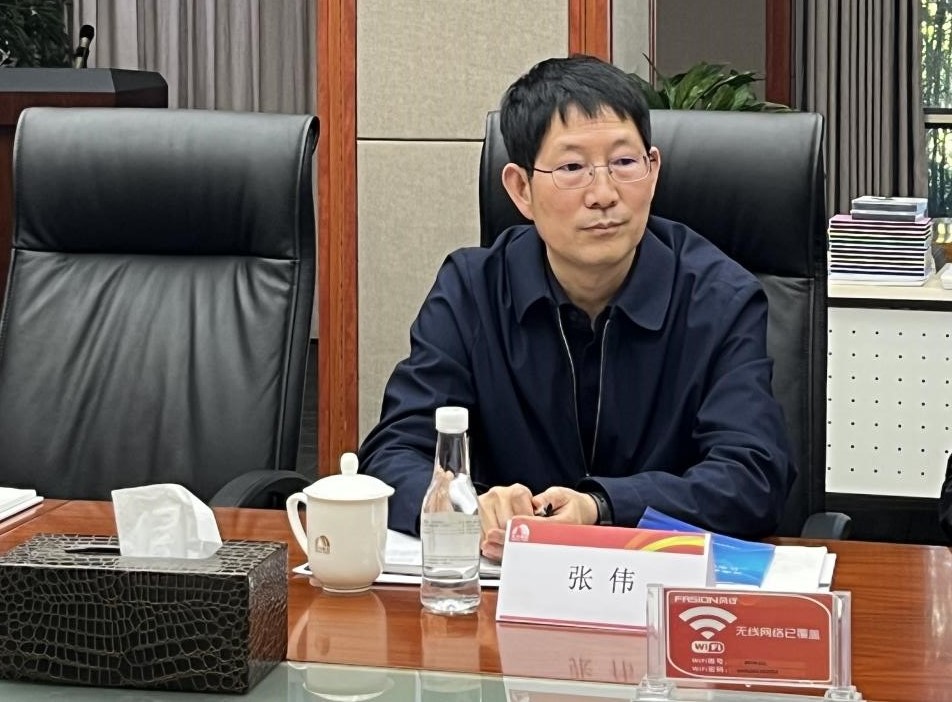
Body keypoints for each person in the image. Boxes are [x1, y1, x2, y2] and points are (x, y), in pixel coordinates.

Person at [358, 55, 795, 561]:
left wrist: (601, 507)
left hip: (659, 586)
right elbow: (393, 453)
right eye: (571, 168)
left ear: (653, 170)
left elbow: (753, 475)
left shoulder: (719, 299)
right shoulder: (471, 292)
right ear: (521, 189)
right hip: (503, 587)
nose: (604, 194)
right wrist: (467, 506)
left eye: (624, 163)